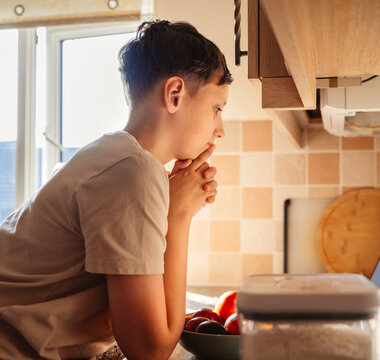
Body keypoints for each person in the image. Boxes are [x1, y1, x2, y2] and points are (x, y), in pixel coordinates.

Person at [0, 19, 232, 359]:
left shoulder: (119, 158)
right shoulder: (133, 171)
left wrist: (170, 210)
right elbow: (149, 350)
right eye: (217, 108)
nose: (220, 128)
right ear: (175, 94)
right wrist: (178, 217)